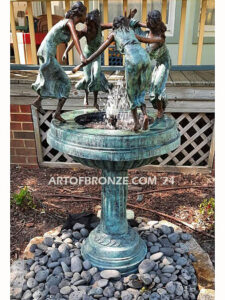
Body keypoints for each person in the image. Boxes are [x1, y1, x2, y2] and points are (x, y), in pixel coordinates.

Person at [73, 15, 164, 131]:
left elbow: (99, 51)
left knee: (131, 91)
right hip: (145, 58)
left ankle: (136, 123)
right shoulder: (130, 31)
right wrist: (158, 40)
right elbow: (145, 40)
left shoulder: (114, 34)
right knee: (140, 89)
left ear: (115, 25)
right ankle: (145, 115)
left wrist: (84, 62)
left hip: (133, 59)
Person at [32, 2, 87, 122]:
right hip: (47, 52)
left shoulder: (67, 22)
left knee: (50, 78)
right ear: (80, 13)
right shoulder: (69, 22)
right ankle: (57, 113)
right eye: (85, 14)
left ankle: (38, 102)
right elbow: (75, 38)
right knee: (66, 82)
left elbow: (75, 36)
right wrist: (82, 55)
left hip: (46, 51)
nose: (86, 16)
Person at [63, 9, 113, 110]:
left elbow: (114, 25)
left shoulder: (100, 28)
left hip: (96, 57)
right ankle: (86, 95)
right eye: (88, 24)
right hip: (87, 55)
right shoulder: (85, 30)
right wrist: (66, 51)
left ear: (96, 23)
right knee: (87, 78)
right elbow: (74, 41)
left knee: (96, 77)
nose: (89, 27)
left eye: (91, 25)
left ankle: (95, 101)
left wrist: (127, 20)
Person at [130, 9, 171, 118]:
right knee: (152, 88)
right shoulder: (150, 30)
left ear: (153, 24)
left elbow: (143, 40)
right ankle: (159, 108)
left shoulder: (160, 38)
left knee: (157, 87)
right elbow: (140, 26)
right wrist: (132, 20)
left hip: (164, 63)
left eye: (148, 20)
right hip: (158, 63)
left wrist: (132, 35)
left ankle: (161, 110)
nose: (146, 21)